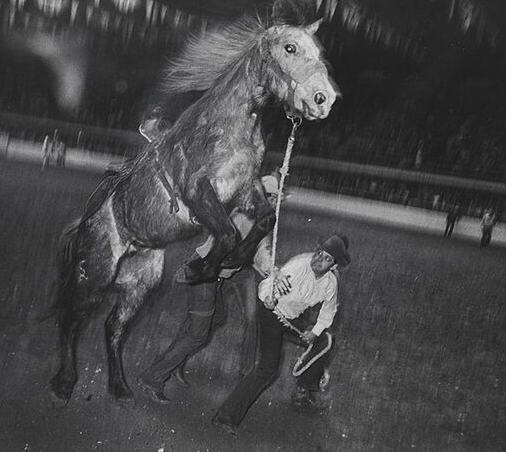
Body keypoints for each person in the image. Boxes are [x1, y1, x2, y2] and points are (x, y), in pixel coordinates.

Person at [136, 173, 283, 403]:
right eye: (271, 198)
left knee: (217, 316)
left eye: (275, 199)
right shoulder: (241, 217)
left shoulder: (260, 221)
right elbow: (234, 251)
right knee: (197, 335)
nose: (274, 203)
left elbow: (261, 251)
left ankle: (175, 360)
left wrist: (271, 268)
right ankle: (153, 377)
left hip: (215, 277)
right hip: (205, 273)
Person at [211, 234, 351, 436]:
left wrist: (315, 331)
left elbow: (328, 312)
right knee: (268, 368)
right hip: (272, 314)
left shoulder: (330, 283)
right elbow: (268, 283)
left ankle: (302, 391)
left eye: (327, 258)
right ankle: (225, 416)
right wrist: (268, 296)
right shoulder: (299, 265)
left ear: (334, 266)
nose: (319, 259)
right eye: (319, 252)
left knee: (325, 340)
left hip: (292, 319)